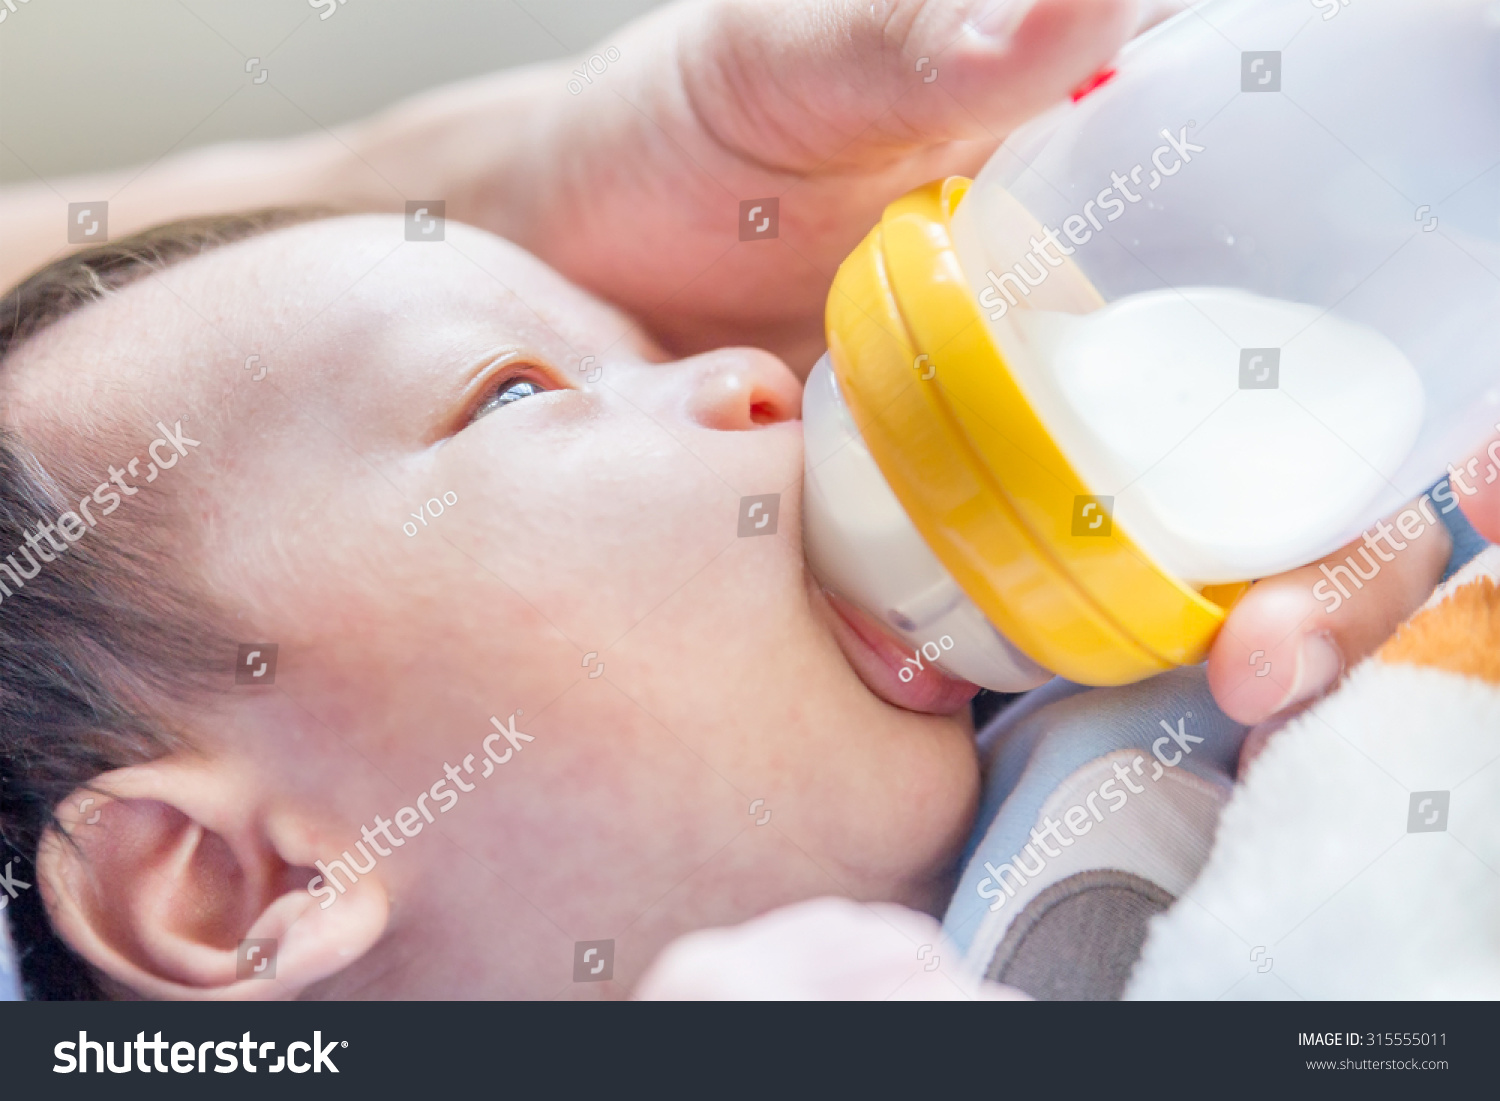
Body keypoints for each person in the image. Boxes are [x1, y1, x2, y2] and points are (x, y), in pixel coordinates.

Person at [0, 0, 1466, 999]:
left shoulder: (1164, 715)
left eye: (657, 347)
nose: (758, 382)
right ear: (226, 881)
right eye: (513, 391)